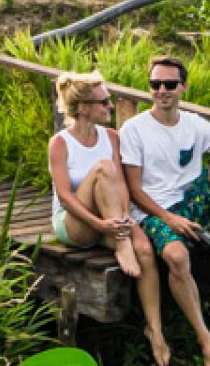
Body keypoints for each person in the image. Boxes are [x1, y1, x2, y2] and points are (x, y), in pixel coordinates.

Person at [120, 55, 210, 366]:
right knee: (177, 256)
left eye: (169, 84)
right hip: (153, 210)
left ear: (183, 87)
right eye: (155, 84)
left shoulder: (193, 123)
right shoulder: (134, 129)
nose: (162, 91)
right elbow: (135, 191)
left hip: (189, 201)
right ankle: (206, 341)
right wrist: (169, 219)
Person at [48, 72, 156, 293]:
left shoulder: (111, 137)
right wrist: (100, 225)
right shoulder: (60, 143)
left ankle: (154, 325)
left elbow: (122, 185)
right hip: (76, 224)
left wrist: (125, 215)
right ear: (83, 108)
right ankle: (122, 244)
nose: (110, 107)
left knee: (145, 248)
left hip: (110, 219)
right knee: (104, 168)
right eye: (104, 102)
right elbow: (65, 198)